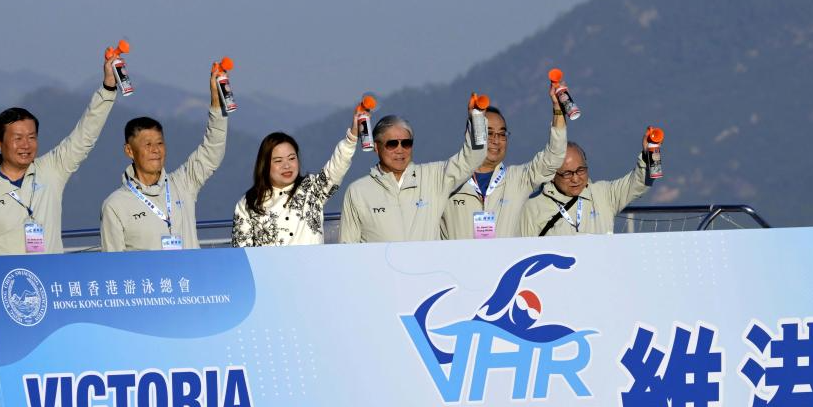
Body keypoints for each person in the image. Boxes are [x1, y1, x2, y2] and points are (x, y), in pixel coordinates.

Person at [0, 51, 119, 326]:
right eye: (17, 138)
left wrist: (108, 89)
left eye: (31, 137)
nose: (26, 145)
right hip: (1, 305)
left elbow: (84, 137)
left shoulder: (51, 172)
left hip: (52, 299)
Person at [100, 65, 230, 251]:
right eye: (147, 144)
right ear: (129, 151)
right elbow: (114, 262)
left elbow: (212, 151)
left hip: (189, 272)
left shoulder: (183, 184)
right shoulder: (115, 205)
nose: (155, 150)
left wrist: (217, 103)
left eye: (160, 143)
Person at [340, 107, 487, 243]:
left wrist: (477, 118)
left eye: (406, 143)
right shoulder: (357, 191)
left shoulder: (433, 177)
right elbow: (347, 247)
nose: (400, 150)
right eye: (392, 144)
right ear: (376, 147)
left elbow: (472, 158)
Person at [441, 84, 567, 240]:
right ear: (471, 133)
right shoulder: (447, 179)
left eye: (502, 134)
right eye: (489, 133)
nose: (496, 140)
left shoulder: (518, 180)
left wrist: (558, 110)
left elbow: (553, 158)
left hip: (505, 257)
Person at [232, 110, 359, 247]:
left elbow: (336, 167)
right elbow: (241, 250)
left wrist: (352, 137)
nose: (287, 165)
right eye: (278, 161)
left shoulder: (312, 189)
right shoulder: (249, 202)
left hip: (312, 261)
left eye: (291, 158)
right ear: (264, 165)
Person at [519, 139, 654, 237]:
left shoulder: (603, 194)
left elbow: (637, 183)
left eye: (581, 170)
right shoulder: (533, 206)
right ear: (552, 174)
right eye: (567, 173)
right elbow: (522, 252)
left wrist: (649, 156)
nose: (575, 179)